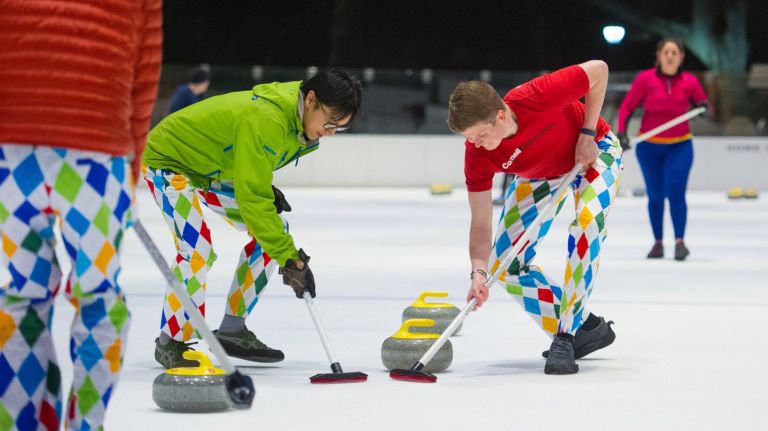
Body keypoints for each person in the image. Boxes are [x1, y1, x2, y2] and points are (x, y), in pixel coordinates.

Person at [0, 0, 161, 429]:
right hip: (94, 153)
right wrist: (131, 167)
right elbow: (143, 72)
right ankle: (85, 424)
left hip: (10, 152)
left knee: (22, 292)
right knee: (98, 295)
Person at [143, 69, 362, 369]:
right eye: (330, 123)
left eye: (340, 127)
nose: (331, 132)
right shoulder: (268, 118)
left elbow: (250, 166)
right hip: (168, 162)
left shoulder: (296, 121)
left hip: (209, 170)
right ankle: (172, 339)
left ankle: (232, 329)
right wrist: (289, 257)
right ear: (311, 99)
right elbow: (252, 198)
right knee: (196, 251)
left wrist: (261, 185)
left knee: (274, 232)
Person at [447, 60, 622, 375]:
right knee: (503, 263)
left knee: (587, 225)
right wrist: (477, 271)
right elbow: (482, 222)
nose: (474, 144)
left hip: (594, 151)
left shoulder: (535, 96)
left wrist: (586, 133)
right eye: (469, 137)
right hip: (540, 175)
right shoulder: (477, 155)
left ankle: (566, 335)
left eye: (479, 135)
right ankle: (585, 328)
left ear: (500, 116)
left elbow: (599, 71)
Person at [617, 38, 710, 261]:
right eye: (666, 52)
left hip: (680, 146)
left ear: (681, 57)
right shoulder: (645, 79)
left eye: (674, 52)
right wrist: (621, 132)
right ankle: (657, 243)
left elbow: (703, 103)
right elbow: (627, 105)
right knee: (656, 196)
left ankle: (680, 242)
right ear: (658, 56)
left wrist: (704, 107)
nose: (670, 56)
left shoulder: (690, 81)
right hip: (649, 147)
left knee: (676, 193)